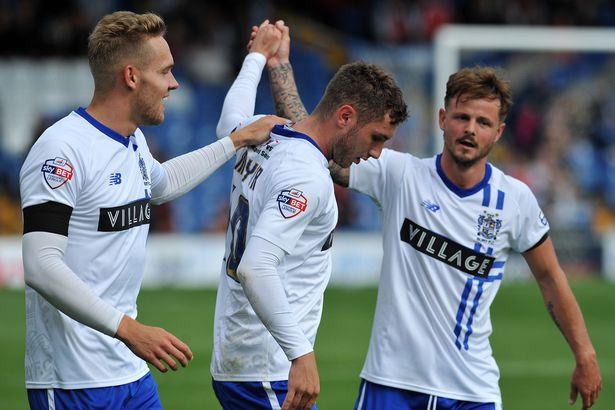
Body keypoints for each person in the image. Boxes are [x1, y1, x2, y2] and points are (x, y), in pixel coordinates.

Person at [270, 55, 603, 408]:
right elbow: (316, 139)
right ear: (443, 120)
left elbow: (551, 276)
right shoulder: (399, 175)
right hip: (390, 384)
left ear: (498, 132)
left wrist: (585, 356)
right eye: (462, 117)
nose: (471, 129)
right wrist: (279, 65)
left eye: (483, 122)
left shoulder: (515, 200)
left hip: (471, 391)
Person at [19, 11, 285, 410]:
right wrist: (129, 330)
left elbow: (161, 183)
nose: (174, 83)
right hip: (74, 380)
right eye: (165, 72)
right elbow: (41, 265)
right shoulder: (62, 150)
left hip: (131, 374)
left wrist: (235, 141)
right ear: (131, 77)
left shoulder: (132, 141)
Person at [211, 20, 408, 410]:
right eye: (376, 138)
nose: (376, 153)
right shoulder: (307, 177)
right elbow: (256, 266)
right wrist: (301, 353)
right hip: (268, 366)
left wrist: (259, 58)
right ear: (346, 116)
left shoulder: (262, 132)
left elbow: (227, 122)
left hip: (242, 359)